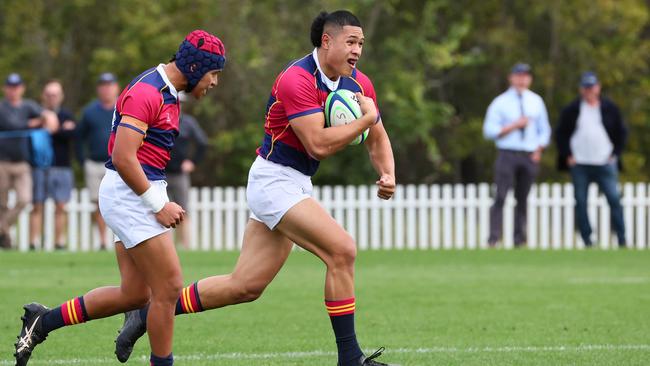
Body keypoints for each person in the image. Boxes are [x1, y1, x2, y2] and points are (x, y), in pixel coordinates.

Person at [115, 11, 397, 366]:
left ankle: (146, 314)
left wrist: (387, 173)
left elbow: (379, 138)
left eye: (361, 44)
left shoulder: (359, 84)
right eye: (351, 42)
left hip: (295, 182)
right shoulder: (297, 79)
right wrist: (365, 119)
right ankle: (351, 358)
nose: (357, 50)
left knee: (245, 286)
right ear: (327, 41)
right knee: (342, 251)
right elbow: (318, 145)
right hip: (274, 180)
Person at [13, 30, 226, 366]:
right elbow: (124, 156)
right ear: (196, 67)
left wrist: (159, 197)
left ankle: (43, 321)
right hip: (131, 195)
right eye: (214, 74)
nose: (214, 83)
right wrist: (158, 205)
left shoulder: (167, 91)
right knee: (169, 288)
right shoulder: (148, 91)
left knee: (135, 294)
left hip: (134, 191)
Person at [555, 71, 627, 247]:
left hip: (605, 162)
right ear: (581, 89)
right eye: (586, 87)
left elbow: (621, 132)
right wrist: (567, 155)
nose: (589, 91)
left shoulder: (609, 108)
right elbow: (560, 134)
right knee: (581, 202)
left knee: (614, 199)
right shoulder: (572, 110)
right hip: (580, 163)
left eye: (592, 87)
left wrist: (615, 154)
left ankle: (622, 238)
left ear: (598, 87)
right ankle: (587, 239)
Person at [483, 63, 551, 248]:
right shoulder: (500, 102)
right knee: (501, 196)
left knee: (522, 198)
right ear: (511, 77)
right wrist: (514, 125)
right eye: (518, 75)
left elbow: (544, 130)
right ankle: (493, 238)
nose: (522, 79)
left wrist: (538, 150)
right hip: (507, 153)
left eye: (525, 76)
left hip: (529, 155)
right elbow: (489, 131)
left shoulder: (536, 101)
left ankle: (519, 239)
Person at [0, 73, 57, 249]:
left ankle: (1, 228)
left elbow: (49, 119)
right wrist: (32, 123)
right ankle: (5, 239)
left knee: (25, 199)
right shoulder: (2, 107)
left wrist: (47, 119)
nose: (13, 90)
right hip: (2, 162)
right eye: (10, 87)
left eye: (16, 87)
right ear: (5, 89)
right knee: (1, 204)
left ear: (22, 88)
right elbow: (12, 125)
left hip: (23, 163)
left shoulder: (28, 106)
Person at [29, 80, 77, 250]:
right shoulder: (34, 114)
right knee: (37, 204)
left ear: (61, 96)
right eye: (48, 94)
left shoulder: (67, 114)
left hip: (61, 165)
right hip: (38, 166)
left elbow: (71, 134)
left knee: (61, 206)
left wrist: (55, 129)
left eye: (55, 94)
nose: (51, 98)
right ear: (43, 96)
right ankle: (33, 242)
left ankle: (59, 242)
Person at [76, 72, 120, 250]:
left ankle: (120, 240)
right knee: (99, 204)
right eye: (103, 85)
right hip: (95, 163)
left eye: (110, 85)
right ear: (98, 89)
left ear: (116, 87)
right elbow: (79, 138)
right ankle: (102, 241)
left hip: (118, 164)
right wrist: (82, 160)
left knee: (120, 203)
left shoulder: (124, 107)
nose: (106, 89)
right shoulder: (89, 111)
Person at [166, 92, 209, 249]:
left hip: (179, 174)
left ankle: (185, 245)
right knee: (160, 211)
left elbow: (202, 143)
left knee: (183, 211)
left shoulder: (188, 123)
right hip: (159, 174)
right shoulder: (160, 120)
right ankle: (167, 246)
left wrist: (192, 162)